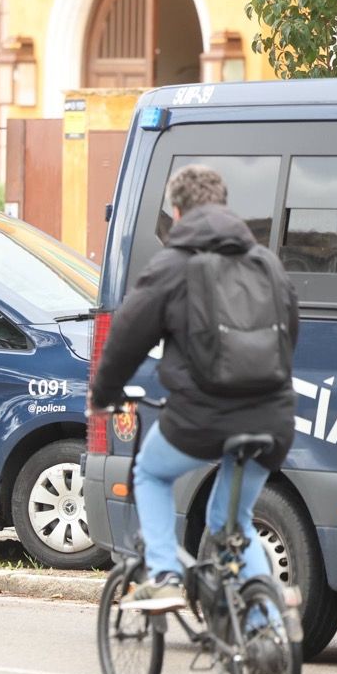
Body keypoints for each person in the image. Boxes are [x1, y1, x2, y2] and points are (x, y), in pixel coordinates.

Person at [89, 165, 298, 612]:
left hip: (204, 417)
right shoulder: (268, 263)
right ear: (223, 205)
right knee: (232, 523)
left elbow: (126, 336)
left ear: (177, 213)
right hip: (273, 418)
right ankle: (269, 631)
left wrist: (104, 393)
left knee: (151, 472)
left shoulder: (172, 265)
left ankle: (164, 575)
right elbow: (288, 336)